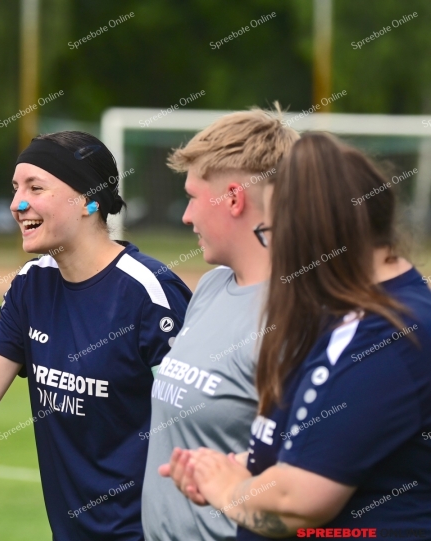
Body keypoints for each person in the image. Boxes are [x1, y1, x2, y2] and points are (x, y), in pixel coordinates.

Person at [0, 131, 192, 540]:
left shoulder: (149, 293)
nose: (17, 204)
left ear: (89, 199)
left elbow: (198, 420)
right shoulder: (32, 285)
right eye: (15, 188)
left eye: (36, 187)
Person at [165, 133, 431, 537]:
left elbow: (300, 502)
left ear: (312, 232)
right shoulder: (348, 315)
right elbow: (322, 447)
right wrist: (232, 467)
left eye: (270, 232)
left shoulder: (387, 334)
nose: (272, 249)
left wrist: (227, 490)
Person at [141, 107, 299, 540]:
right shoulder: (210, 287)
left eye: (193, 196)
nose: (186, 216)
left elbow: (306, 482)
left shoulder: (298, 315)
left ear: (234, 198)